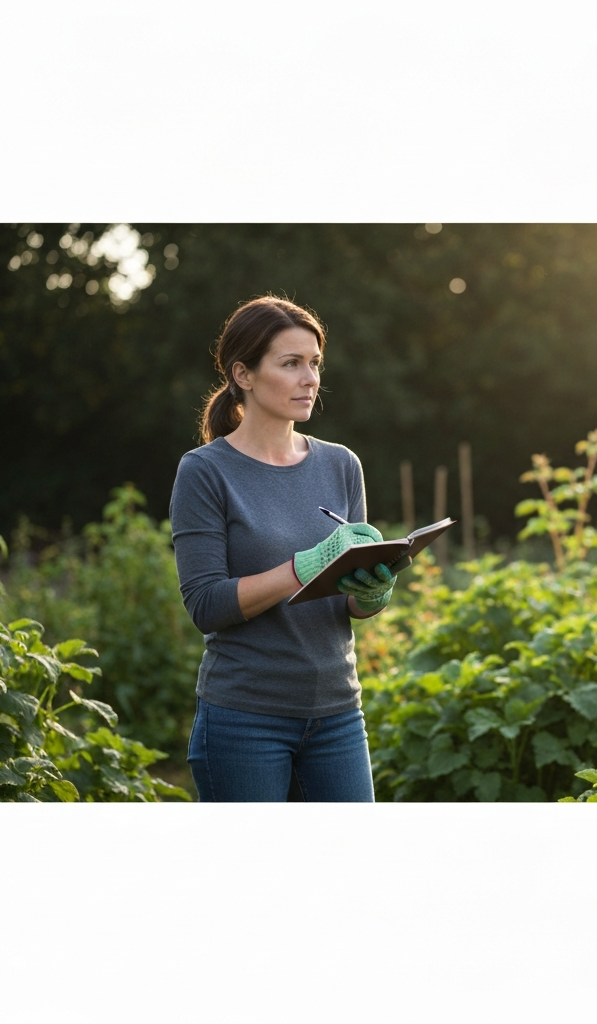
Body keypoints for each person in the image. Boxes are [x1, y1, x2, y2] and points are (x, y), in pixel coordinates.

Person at [169, 295, 400, 802]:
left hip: (338, 714)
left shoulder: (342, 465)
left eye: (314, 363)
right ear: (244, 375)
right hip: (244, 721)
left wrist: (372, 589)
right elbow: (206, 605)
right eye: (290, 363)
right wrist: (306, 566)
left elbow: (349, 606)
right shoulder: (205, 472)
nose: (310, 378)